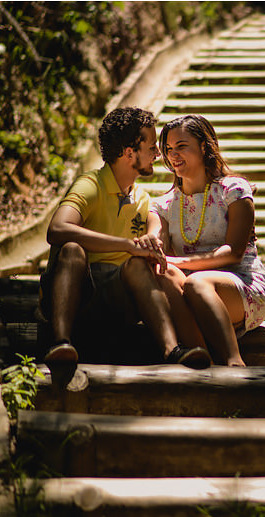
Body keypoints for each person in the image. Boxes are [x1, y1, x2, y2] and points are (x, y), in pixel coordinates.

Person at [40, 106, 212, 369]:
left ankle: (172, 349)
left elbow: (155, 221)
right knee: (72, 249)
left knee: (138, 264)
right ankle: (60, 342)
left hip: (118, 298)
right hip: (78, 293)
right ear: (129, 153)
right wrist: (127, 245)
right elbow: (57, 229)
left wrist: (152, 237)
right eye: (153, 147)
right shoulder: (90, 184)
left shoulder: (141, 197)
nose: (158, 153)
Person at [149, 114, 265, 367]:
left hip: (242, 283)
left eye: (181, 146)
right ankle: (201, 359)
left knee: (196, 282)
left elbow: (234, 253)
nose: (173, 155)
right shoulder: (161, 205)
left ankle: (233, 362)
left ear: (205, 147)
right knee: (163, 273)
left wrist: (179, 261)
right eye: (168, 149)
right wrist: (150, 244)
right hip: (189, 289)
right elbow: (158, 246)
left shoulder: (234, 190)